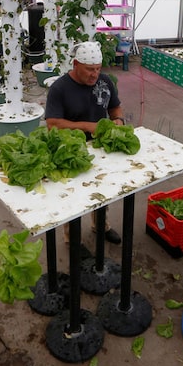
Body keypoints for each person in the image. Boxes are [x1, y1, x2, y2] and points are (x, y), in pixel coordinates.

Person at [45, 40, 125, 245]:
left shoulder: (105, 82)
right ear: (75, 64)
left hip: (100, 148)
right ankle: (72, 240)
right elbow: (53, 124)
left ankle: (101, 226)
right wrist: (89, 127)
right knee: (74, 198)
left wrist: (118, 121)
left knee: (102, 190)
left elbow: (115, 108)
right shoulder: (59, 88)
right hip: (71, 152)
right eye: (89, 69)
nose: (94, 74)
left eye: (98, 69)